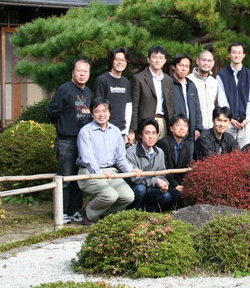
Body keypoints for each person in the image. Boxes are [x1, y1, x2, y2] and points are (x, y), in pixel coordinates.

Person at [76, 98, 143, 226]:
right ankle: (87, 213)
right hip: (90, 172)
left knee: (128, 196)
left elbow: (121, 158)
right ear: (92, 114)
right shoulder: (85, 131)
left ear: (109, 113)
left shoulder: (116, 131)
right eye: (97, 111)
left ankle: (104, 215)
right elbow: (87, 158)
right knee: (110, 195)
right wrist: (99, 173)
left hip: (111, 171)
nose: (101, 114)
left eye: (104, 111)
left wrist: (131, 170)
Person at [47, 59, 93, 224]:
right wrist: (61, 127)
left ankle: (74, 210)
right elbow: (52, 111)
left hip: (83, 142)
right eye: (79, 70)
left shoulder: (88, 91)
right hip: (66, 140)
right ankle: (62, 211)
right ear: (73, 72)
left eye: (85, 71)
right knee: (65, 179)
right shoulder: (64, 89)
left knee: (78, 179)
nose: (82, 74)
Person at [126, 118, 182, 211]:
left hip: (151, 188)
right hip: (135, 187)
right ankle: (131, 212)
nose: (151, 137)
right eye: (147, 133)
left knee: (166, 196)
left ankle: (143, 211)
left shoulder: (159, 152)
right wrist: (156, 181)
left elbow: (162, 174)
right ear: (140, 135)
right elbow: (133, 178)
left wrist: (164, 184)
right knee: (140, 189)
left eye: (154, 133)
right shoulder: (131, 152)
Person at [129, 45, 174, 140]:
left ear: (164, 61)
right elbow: (134, 106)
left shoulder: (168, 80)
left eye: (161, 58)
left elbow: (170, 105)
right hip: (145, 122)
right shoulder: (139, 79)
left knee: (162, 148)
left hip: (163, 122)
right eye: (154, 57)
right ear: (149, 59)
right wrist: (132, 129)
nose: (157, 61)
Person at [217, 42, 250, 147]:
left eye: (239, 53)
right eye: (234, 52)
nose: (236, 55)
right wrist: (230, 118)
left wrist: (247, 119)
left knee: (245, 151)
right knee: (227, 150)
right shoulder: (222, 75)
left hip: (246, 123)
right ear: (229, 54)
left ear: (244, 55)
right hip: (228, 122)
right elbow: (222, 99)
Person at [94, 47, 132, 143]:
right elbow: (97, 107)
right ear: (111, 61)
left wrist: (126, 131)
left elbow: (128, 107)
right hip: (105, 130)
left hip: (122, 131)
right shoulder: (102, 80)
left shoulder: (126, 82)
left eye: (123, 60)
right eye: (117, 59)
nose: (120, 62)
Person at [171, 54, 203, 158]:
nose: (184, 69)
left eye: (187, 66)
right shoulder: (168, 84)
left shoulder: (191, 84)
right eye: (181, 65)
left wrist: (198, 127)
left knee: (188, 161)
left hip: (190, 132)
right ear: (174, 66)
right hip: (175, 131)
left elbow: (197, 108)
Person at [156, 114, 192, 199]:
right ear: (171, 128)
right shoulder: (163, 144)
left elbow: (185, 170)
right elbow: (163, 169)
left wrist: (184, 184)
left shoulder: (186, 147)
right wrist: (176, 186)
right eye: (178, 125)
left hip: (179, 182)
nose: (182, 128)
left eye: (185, 126)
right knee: (178, 195)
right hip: (164, 181)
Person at [187, 50, 218, 130]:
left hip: (211, 127)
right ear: (197, 61)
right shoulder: (188, 80)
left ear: (213, 63)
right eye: (203, 60)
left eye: (209, 61)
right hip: (194, 127)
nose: (206, 63)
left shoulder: (214, 82)